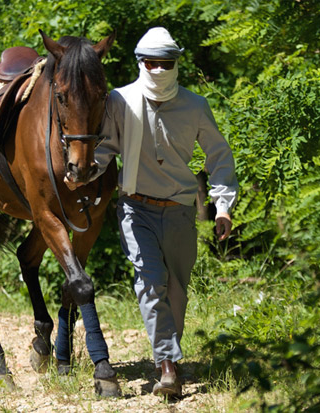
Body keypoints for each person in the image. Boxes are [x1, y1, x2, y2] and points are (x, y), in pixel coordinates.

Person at [67, 27, 238, 397]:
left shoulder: (196, 106)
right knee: (149, 282)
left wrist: (222, 207)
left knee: (177, 290)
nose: (158, 70)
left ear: (176, 64)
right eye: (151, 62)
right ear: (139, 63)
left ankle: (169, 355)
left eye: (166, 63)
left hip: (179, 210)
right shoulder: (120, 101)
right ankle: (167, 366)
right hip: (135, 207)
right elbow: (107, 148)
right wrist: (85, 173)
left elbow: (219, 157)